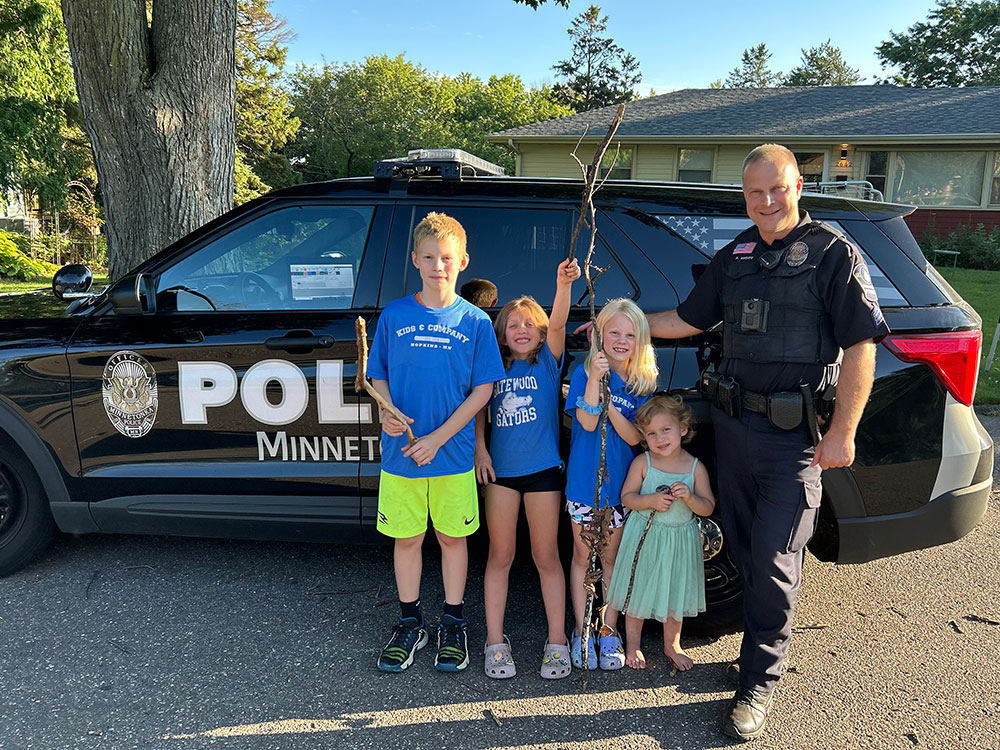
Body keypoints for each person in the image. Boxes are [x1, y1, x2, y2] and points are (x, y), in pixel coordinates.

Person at [643, 143, 889, 740]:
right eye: (755, 192)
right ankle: (756, 651)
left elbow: (861, 346)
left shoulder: (833, 254)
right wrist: (616, 322)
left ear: (797, 185)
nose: (767, 201)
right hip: (733, 432)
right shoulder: (739, 254)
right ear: (746, 197)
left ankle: (759, 682)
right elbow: (686, 321)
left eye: (776, 188)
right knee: (746, 548)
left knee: (776, 561)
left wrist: (844, 431)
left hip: (791, 442)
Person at [368, 212, 505, 673]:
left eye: (446, 258)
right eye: (428, 257)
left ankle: (453, 621)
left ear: (462, 261)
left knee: (451, 537)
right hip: (402, 455)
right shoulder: (395, 314)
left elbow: (483, 390)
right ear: (415, 260)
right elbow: (378, 375)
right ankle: (410, 623)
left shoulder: (476, 322)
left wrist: (438, 438)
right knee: (407, 539)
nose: (437, 266)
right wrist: (387, 411)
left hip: (450, 456)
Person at [474, 258, 581, 680]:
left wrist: (561, 284)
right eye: (512, 323)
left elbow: (559, 323)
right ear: (502, 332)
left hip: (542, 473)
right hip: (501, 474)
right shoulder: (494, 367)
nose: (521, 329)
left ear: (539, 334)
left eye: (529, 324)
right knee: (499, 555)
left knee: (546, 556)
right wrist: (481, 450)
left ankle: (557, 640)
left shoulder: (547, 363)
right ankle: (494, 640)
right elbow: (480, 409)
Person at [565, 298, 658, 671]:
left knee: (611, 559)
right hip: (584, 485)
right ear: (599, 335)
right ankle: (581, 628)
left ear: (640, 341)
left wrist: (613, 406)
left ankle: (608, 629)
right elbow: (586, 423)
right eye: (614, 332)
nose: (621, 340)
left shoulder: (640, 385)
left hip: (619, 489)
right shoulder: (581, 371)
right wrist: (593, 380)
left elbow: (636, 437)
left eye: (629, 335)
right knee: (582, 557)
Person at [606, 395, 715, 671]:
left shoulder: (694, 467)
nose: (660, 438)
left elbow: (707, 506)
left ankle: (672, 644)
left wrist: (690, 498)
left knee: (675, 594)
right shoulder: (643, 463)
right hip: (646, 538)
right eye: (651, 433)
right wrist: (650, 501)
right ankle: (633, 645)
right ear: (644, 437)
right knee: (637, 593)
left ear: (683, 428)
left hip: (679, 542)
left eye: (666, 429)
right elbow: (627, 497)